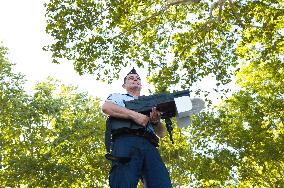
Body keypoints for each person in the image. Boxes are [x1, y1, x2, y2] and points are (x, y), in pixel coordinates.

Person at [102, 68, 172, 188]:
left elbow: (161, 133)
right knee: (123, 182)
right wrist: (135, 115)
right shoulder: (118, 97)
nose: (135, 79)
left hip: (150, 146)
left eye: (138, 78)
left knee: (162, 183)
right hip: (125, 142)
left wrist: (155, 122)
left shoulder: (151, 103)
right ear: (124, 85)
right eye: (131, 78)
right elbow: (106, 107)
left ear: (141, 84)